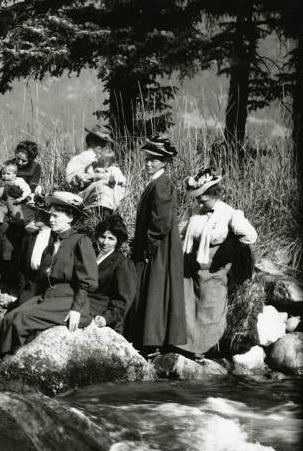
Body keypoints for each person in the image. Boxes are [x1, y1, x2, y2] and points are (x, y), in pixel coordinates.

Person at [0, 192, 98, 361]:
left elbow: (88, 280)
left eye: (56, 216)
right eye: (50, 216)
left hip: (70, 300)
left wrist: (76, 309)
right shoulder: (51, 246)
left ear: (70, 217)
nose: (52, 219)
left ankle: (11, 361)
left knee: (23, 318)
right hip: (49, 297)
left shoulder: (80, 241)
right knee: (10, 316)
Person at [177, 167, 257, 359]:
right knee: (188, 303)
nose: (199, 202)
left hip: (215, 267)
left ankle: (204, 347)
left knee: (209, 306)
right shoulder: (193, 210)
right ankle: (186, 344)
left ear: (214, 195)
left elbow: (250, 235)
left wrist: (227, 252)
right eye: (197, 198)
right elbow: (179, 232)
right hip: (192, 265)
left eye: (203, 199)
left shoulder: (229, 213)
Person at [126, 135, 187, 357]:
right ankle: (149, 340)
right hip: (155, 245)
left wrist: (148, 249)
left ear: (164, 161)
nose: (149, 163)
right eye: (148, 158)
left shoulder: (162, 185)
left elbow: (160, 223)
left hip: (160, 247)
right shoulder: (156, 183)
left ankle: (153, 342)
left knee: (156, 289)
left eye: (155, 159)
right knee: (152, 289)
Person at [87, 215, 138, 334]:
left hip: (102, 314)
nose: (105, 242)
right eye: (102, 237)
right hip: (84, 305)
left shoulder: (122, 263)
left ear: (118, 241)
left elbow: (124, 299)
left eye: (111, 239)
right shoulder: (91, 256)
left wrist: (106, 317)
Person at [79, 148, 128, 221]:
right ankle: (83, 186)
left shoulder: (114, 169)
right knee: (93, 184)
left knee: (108, 181)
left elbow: (121, 178)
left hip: (110, 186)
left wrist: (122, 181)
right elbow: (92, 174)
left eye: (100, 157)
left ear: (105, 161)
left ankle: (80, 198)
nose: (97, 158)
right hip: (100, 189)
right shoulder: (98, 169)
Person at [66, 124, 114, 188]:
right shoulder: (80, 158)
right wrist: (97, 176)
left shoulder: (105, 160)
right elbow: (71, 179)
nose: (104, 147)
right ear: (92, 142)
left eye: (105, 144)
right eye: (101, 143)